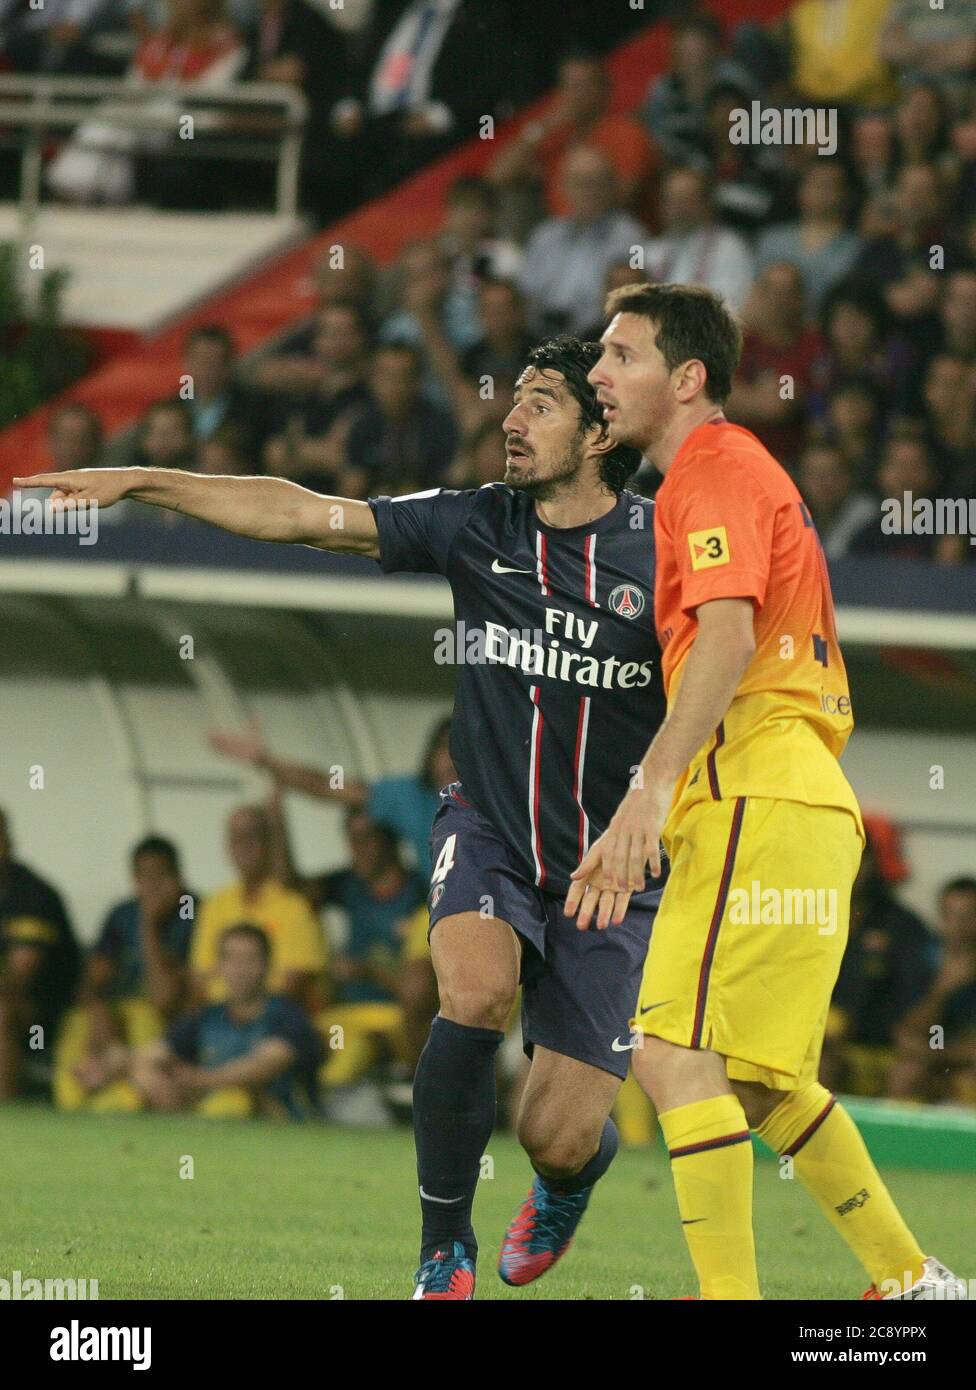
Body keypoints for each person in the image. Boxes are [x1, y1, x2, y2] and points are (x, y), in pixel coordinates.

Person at [19, 334, 668, 1303]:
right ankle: (442, 1248)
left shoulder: (667, 549)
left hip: (610, 871)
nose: (511, 418)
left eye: (539, 403)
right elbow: (302, 513)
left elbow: (741, 671)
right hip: (489, 826)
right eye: (514, 400)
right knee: (475, 995)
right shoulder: (473, 523)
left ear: (599, 427)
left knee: (557, 1134)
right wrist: (147, 479)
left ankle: (573, 1171)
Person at [574, 279, 964, 1300]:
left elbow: (729, 633)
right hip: (798, 795)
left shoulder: (710, 467)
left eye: (621, 355)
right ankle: (911, 1282)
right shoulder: (726, 471)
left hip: (753, 784)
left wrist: (646, 791)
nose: (597, 374)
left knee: (668, 1053)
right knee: (759, 1080)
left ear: (688, 377)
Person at [210, 716, 454, 879]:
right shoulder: (412, 796)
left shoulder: (490, 795)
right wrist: (265, 760)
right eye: (444, 748)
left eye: (463, 749)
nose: (452, 759)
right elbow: (327, 786)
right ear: (430, 756)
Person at [53, 836, 195, 1112]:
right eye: (144, 874)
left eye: (161, 874)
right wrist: (99, 1012)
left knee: (145, 1021)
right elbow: (93, 981)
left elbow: (165, 998)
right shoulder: (120, 913)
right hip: (111, 1013)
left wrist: (148, 924)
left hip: (159, 1016)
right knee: (77, 1024)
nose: (151, 884)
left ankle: (122, 1093)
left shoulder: (191, 913)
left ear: (178, 876)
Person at [131, 923, 321, 1118]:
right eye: (232, 959)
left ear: (267, 964)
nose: (240, 970)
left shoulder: (288, 1015)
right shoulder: (207, 1016)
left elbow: (264, 1065)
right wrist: (123, 1064)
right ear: (219, 966)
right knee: (133, 1086)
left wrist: (198, 1080)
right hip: (209, 1116)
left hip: (281, 1122)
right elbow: (152, 1054)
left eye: (250, 960)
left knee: (232, 1104)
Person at [190, 804, 326, 1010]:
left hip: (277, 1021)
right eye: (236, 837)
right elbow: (200, 978)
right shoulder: (213, 905)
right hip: (221, 1020)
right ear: (227, 847)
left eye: (252, 835)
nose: (244, 844)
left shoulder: (295, 905)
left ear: (269, 843)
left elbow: (295, 983)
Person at [0, 809, 80, 1101]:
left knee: (1, 1011)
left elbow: (18, 981)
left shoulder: (32, 895)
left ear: (7, 843)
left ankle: (5, 1118)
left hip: (46, 1011)